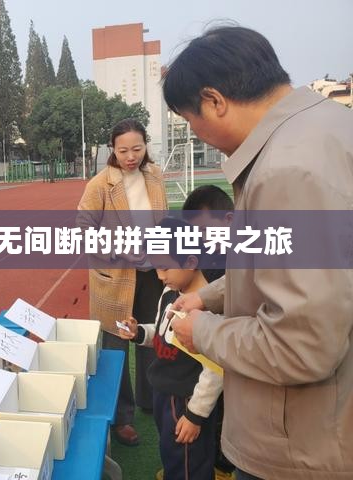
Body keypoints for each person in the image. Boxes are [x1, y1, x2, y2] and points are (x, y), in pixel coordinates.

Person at [162, 25, 353, 480]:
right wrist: (208, 296)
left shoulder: (287, 170)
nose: (197, 135)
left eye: (190, 120)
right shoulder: (328, 127)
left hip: (301, 447)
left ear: (214, 100)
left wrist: (202, 330)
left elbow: (300, 345)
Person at [77, 118, 168, 446]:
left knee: (151, 337)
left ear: (145, 147)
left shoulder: (154, 176)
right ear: (112, 150)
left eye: (137, 149)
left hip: (153, 275)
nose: (131, 156)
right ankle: (122, 417)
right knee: (116, 348)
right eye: (123, 150)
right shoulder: (100, 185)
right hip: (115, 279)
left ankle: (150, 398)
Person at [119, 216, 223, 480]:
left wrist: (195, 415)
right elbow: (162, 332)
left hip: (186, 398)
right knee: (172, 450)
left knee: (189, 460)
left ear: (190, 262)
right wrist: (139, 333)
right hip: (163, 392)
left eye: (165, 267)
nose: (160, 275)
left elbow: (215, 370)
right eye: (156, 267)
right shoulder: (170, 292)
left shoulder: (208, 308)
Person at [182, 185, 235, 478]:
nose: (201, 240)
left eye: (204, 232)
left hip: (235, 350)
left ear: (228, 219)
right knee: (216, 409)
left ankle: (224, 466)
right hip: (214, 347)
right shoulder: (209, 253)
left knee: (229, 410)